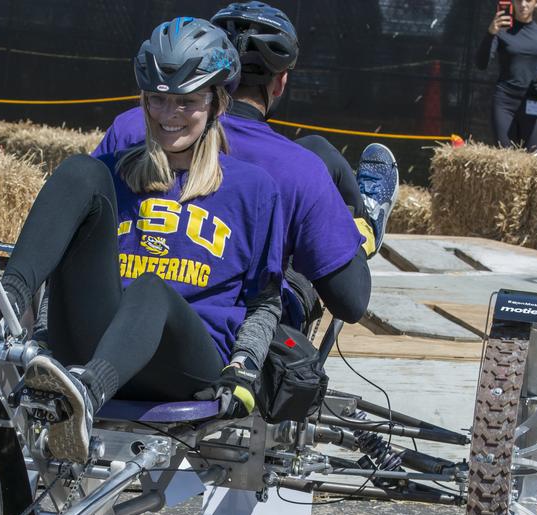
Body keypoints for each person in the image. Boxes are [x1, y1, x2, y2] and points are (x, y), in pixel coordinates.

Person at [0, 17, 286, 464]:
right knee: (78, 170)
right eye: (157, 100)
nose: (169, 116)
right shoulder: (111, 173)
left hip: (185, 363)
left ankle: (81, 404)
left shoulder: (253, 188)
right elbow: (68, 271)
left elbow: (265, 301)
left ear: (218, 102)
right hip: (99, 347)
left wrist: (244, 365)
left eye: (186, 102)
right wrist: (46, 335)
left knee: (150, 289)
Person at [94, 1, 397, 331]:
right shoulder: (297, 168)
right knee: (316, 164)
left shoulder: (131, 128)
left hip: (114, 315)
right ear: (279, 84)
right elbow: (351, 301)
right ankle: (362, 226)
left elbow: (84, 218)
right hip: (221, 337)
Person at [476, 0, 537, 152]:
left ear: (536, 3)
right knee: (506, 159)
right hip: (505, 102)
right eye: (518, 0)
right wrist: (490, 33)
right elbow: (481, 64)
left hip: (533, 101)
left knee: (534, 157)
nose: (523, 4)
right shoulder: (501, 31)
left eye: (528, 0)